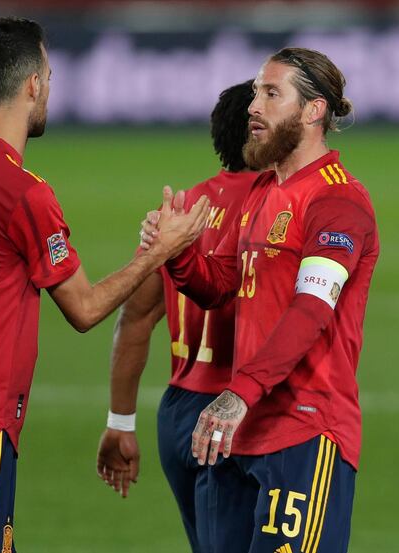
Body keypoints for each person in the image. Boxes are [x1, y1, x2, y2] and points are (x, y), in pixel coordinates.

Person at [0, 17, 210, 553]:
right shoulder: (24, 193)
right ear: (33, 85)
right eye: (49, 74)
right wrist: (158, 253)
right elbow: (85, 310)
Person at [143, 47, 379, 553]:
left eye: (272, 94)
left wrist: (239, 392)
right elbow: (220, 284)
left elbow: (312, 310)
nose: (254, 105)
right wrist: (175, 252)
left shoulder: (337, 200)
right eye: (255, 92)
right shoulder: (262, 192)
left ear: (313, 111)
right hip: (242, 436)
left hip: (304, 431)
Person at [95, 80, 258, 553]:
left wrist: (121, 423)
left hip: (176, 415)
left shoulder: (180, 211)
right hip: (233, 414)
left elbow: (136, 320)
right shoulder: (275, 205)